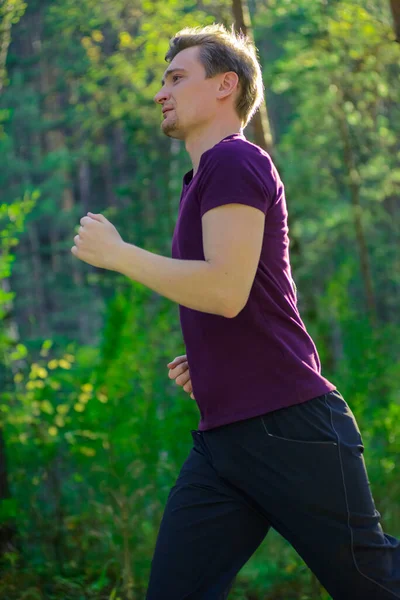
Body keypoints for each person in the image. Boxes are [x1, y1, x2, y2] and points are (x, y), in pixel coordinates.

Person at [143, 23, 400, 599]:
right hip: (225, 439)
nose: (161, 91)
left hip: (289, 426)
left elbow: (225, 290)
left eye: (177, 77)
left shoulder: (234, 161)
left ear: (224, 85)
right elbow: (240, 296)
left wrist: (120, 255)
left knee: (374, 585)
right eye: (163, 79)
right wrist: (214, 359)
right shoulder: (202, 178)